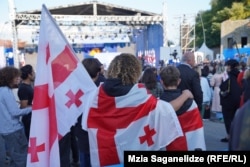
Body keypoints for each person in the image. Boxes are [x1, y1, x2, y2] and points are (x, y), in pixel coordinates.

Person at [86, 53, 194, 166]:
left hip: (106, 159)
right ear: (136, 72)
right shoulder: (141, 96)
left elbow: (86, 128)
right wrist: (185, 96)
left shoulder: (94, 96)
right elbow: (166, 110)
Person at [159, 65, 206, 150]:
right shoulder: (191, 103)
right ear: (179, 81)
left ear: (161, 81)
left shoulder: (157, 104)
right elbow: (197, 132)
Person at [0, 66, 32, 167]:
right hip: (14, 129)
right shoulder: (6, 91)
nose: (19, 79)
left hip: (5, 130)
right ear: (9, 78)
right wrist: (33, 108)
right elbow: (15, 112)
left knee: (14, 158)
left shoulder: (1, 90)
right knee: (21, 158)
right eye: (16, 77)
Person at [75, 58, 101, 167]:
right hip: (98, 135)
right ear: (98, 73)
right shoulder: (101, 91)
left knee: (84, 160)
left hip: (81, 133)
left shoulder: (74, 89)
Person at [219, 59, 241, 142]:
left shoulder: (227, 75)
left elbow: (223, 87)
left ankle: (229, 136)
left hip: (228, 100)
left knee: (228, 119)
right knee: (235, 119)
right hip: (238, 99)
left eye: (227, 65)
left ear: (229, 66)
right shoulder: (240, 74)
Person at [18, 64, 35, 139]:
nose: (34, 74)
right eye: (33, 72)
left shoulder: (28, 86)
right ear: (29, 75)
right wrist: (37, 106)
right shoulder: (23, 88)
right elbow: (24, 106)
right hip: (28, 119)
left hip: (31, 117)